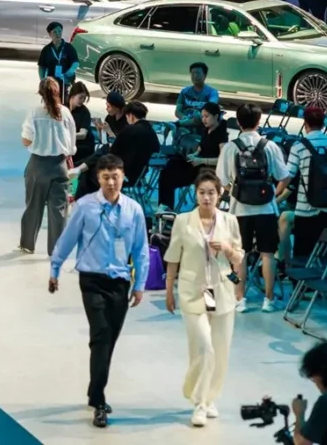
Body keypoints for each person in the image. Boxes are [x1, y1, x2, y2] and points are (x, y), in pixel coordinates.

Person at [49, 154, 149, 429]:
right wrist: (55, 269)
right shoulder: (85, 207)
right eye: (105, 177)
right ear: (98, 179)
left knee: (109, 342)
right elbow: (67, 239)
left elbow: (140, 249)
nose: (111, 182)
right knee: (101, 336)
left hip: (119, 281)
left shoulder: (134, 210)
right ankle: (99, 401)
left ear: (123, 176)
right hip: (91, 280)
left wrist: (140, 284)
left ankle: (95, 390)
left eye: (115, 176)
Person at [163, 169, 242, 426]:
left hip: (219, 291)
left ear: (220, 194)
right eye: (202, 193)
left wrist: (228, 249)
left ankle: (209, 398)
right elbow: (173, 258)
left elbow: (239, 258)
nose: (206, 198)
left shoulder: (230, 221)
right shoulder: (183, 221)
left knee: (219, 350)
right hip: (193, 291)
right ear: (196, 194)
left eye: (211, 193)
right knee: (204, 347)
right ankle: (197, 401)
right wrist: (169, 290)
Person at [216, 103, 291, 313]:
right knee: (268, 254)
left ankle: (240, 299)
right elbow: (284, 177)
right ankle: (268, 299)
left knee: (240, 254)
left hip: (239, 210)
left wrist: (234, 190)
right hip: (266, 209)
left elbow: (221, 181)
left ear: (238, 122)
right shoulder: (270, 146)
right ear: (259, 122)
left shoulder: (231, 147)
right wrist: (272, 195)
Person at [277, 107, 327, 260]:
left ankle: (299, 280)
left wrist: (275, 193)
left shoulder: (299, 146)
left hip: (305, 207)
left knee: (303, 251)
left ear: (305, 124)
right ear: (323, 124)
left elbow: (287, 176)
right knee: (324, 246)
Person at [21, 77, 77, 255]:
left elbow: (26, 140)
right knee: (59, 209)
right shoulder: (66, 113)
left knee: (33, 206)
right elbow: (72, 144)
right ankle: (56, 248)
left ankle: (27, 244)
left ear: (40, 93)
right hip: (60, 165)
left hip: (38, 165)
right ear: (58, 92)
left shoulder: (34, 113)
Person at [159, 103, 229, 211]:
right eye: (202, 117)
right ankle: (165, 206)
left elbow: (222, 160)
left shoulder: (222, 135)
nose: (204, 120)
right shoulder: (207, 129)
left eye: (206, 116)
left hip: (206, 169)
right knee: (171, 165)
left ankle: (166, 207)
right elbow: (201, 148)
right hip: (197, 162)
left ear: (215, 117)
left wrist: (201, 160)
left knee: (171, 176)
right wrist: (195, 154)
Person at [176, 62, 220, 130]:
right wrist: (184, 118)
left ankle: (176, 124)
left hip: (203, 124)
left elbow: (211, 107)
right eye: (192, 73)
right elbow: (177, 111)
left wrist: (199, 114)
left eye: (198, 73)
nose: (195, 76)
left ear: (205, 75)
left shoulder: (212, 92)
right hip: (185, 123)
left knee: (202, 116)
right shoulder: (185, 91)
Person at [38, 22, 79, 95]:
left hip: (66, 80)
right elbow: (41, 67)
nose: (58, 34)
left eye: (59, 31)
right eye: (54, 32)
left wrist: (70, 72)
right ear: (50, 34)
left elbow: (75, 63)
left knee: (65, 100)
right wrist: (42, 81)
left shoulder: (68, 47)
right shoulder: (46, 50)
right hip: (51, 82)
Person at [69, 82, 98, 165]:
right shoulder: (64, 108)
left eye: (84, 98)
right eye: (80, 97)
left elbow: (82, 134)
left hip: (82, 145)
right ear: (73, 95)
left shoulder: (85, 112)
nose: (82, 101)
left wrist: (66, 135)